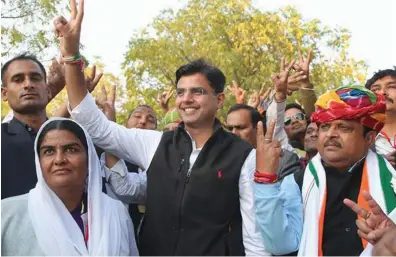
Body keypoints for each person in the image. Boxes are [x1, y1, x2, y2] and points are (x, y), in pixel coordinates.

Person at [55, 1, 267, 254]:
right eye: (181, 92)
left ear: (219, 100)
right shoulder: (155, 143)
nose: (186, 99)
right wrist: (71, 55)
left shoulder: (243, 155)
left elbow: (254, 234)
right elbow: (94, 124)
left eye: (197, 92)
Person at [255, 85, 396, 256]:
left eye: (344, 127)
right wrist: (265, 180)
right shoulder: (297, 182)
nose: (331, 134)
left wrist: (392, 237)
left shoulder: (391, 181)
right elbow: (281, 245)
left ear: (369, 138)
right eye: (325, 127)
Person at [1, 118, 137, 255]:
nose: (60, 160)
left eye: (71, 149)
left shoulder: (116, 212)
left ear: (89, 159)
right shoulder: (8, 214)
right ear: (39, 161)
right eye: (49, 151)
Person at [1, 53, 101, 199]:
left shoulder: (77, 140)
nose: (28, 84)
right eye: (18, 79)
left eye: (35, 78)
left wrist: (78, 95)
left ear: (47, 89)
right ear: (4, 93)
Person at [226, 104, 301, 179]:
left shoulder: (284, 160)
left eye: (240, 128)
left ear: (258, 128)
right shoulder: (224, 162)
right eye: (230, 128)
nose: (234, 133)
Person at [365, 68, 396, 165]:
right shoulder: (359, 136)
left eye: (391, 86)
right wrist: (376, 163)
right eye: (376, 89)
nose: (383, 92)